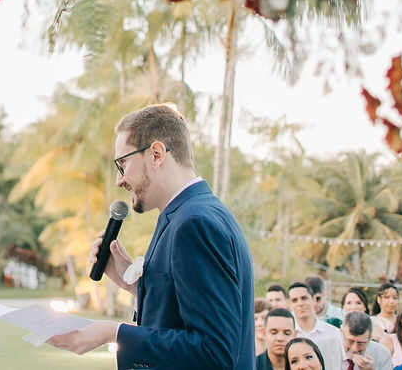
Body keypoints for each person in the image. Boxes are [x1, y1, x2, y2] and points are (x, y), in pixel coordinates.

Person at [47, 103, 255, 369]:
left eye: (123, 164)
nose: (119, 180)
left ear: (156, 154)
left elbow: (214, 352)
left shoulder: (195, 223)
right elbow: (184, 309)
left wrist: (115, 333)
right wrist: (133, 283)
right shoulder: (183, 214)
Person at [289, 282, 344, 370]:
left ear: (313, 299)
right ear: (290, 305)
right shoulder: (289, 335)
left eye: (304, 298)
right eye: (295, 300)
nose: (300, 303)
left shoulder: (333, 334)